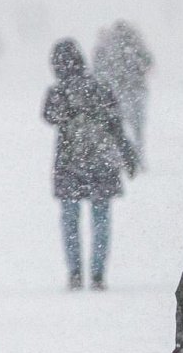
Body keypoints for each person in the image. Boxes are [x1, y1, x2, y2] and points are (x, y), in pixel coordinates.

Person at [43, 38, 137, 291]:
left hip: (69, 162)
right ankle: (97, 273)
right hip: (101, 163)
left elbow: (48, 116)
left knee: (70, 219)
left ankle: (75, 272)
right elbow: (115, 125)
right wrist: (128, 155)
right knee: (101, 218)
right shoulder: (100, 88)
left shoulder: (58, 92)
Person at [92, 20, 152, 160]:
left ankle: (124, 154)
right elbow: (149, 63)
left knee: (121, 124)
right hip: (136, 90)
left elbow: (100, 70)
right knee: (136, 126)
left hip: (122, 91)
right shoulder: (136, 47)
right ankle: (137, 154)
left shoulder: (110, 49)